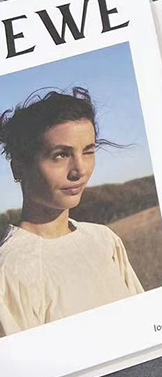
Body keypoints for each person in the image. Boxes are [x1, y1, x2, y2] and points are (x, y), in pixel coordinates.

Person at [0, 87, 143, 337]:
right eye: (61, 155)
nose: (80, 170)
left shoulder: (104, 240)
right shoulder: (9, 271)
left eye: (88, 151)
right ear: (19, 168)